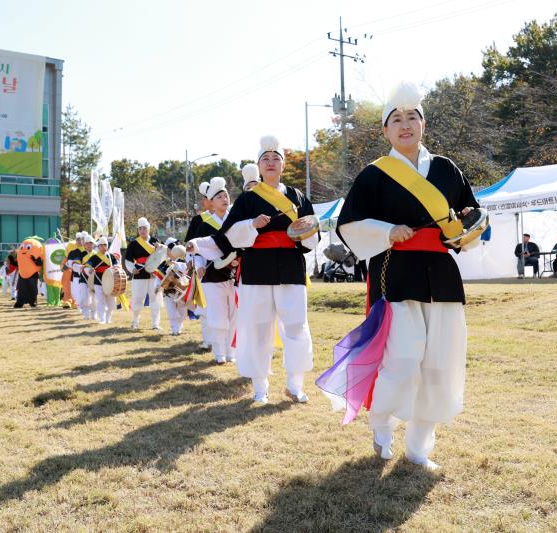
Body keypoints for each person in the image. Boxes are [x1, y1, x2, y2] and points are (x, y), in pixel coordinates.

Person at [327, 81, 479, 469]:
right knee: (403, 359)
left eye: (413, 117)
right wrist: (386, 231)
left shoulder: (447, 169)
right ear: (385, 130)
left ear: (423, 124)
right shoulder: (374, 175)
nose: (405, 124)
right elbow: (349, 223)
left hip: (442, 277)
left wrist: (467, 229)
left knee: (440, 363)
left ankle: (419, 448)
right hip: (395, 274)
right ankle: (381, 423)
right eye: (396, 119)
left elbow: (470, 219)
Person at [188, 135, 318, 404]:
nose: (271, 163)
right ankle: (261, 387)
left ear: (283, 165)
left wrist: (304, 233)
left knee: (296, 325)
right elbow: (228, 237)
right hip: (257, 268)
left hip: (292, 268)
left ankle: (295, 385)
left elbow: (311, 235)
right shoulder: (247, 200)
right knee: (258, 328)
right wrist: (251, 225)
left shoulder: (298, 196)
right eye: (265, 159)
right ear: (258, 165)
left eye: (276, 159)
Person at [191, 177, 238, 364]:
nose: (224, 199)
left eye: (226, 195)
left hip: (235, 275)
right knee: (218, 316)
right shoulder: (205, 224)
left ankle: (231, 352)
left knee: (234, 315)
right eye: (219, 196)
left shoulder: (235, 221)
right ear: (211, 201)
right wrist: (199, 264)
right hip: (212, 275)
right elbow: (196, 248)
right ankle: (219, 352)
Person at [186, 185, 214, 348]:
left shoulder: (227, 216)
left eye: (205, 197)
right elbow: (190, 243)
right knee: (203, 303)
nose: (203, 201)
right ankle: (208, 339)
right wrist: (191, 260)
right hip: (202, 264)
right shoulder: (198, 220)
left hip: (224, 265)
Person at [125, 217, 164, 330]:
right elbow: (128, 260)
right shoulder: (133, 244)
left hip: (154, 274)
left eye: (144, 228)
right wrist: (132, 269)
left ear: (148, 229)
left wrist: (159, 249)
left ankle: (155, 324)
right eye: (140, 228)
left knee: (155, 298)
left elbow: (161, 257)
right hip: (139, 274)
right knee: (137, 298)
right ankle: (135, 322)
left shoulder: (155, 241)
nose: (142, 230)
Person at [84, 236, 119, 324]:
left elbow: (117, 265)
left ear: (107, 246)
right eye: (101, 245)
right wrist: (90, 269)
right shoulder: (94, 257)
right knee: (101, 300)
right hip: (98, 282)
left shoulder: (111, 257)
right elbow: (88, 265)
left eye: (105, 245)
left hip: (110, 282)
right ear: (98, 246)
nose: (103, 247)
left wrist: (116, 266)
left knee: (111, 302)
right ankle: (102, 319)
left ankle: (108, 318)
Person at [162, 239, 189, 336]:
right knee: (171, 310)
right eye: (169, 250)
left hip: (182, 289)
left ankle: (179, 326)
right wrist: (157, 286)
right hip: (169, 290)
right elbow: (161, 276)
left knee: (182, 310)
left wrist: (175, 264)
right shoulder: (164, 262)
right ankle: (174, 329)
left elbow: (187, 269)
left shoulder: (183, 260)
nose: (170, 252)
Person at [66, 232, 87, 311]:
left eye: (81, 239)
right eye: (77, 240)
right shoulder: (72, 252)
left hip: (87, 277)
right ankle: (80, 305)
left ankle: (85, 308)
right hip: (76, 276)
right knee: (75, 293)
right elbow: (69, 264)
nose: (79, 241)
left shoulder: (88, 252)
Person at [77, 236, 97, 320]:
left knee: (94, 298)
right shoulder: (80, 254)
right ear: (84, 245)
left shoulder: (97, 254)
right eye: (87, 244)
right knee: (84, 297)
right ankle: (85, 313)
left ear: (93, 245)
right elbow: (76, 264)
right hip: (83, 278)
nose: (89, 245)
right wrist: (81, 267)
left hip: (94, 279)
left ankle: (94, 313)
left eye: (90, 243)